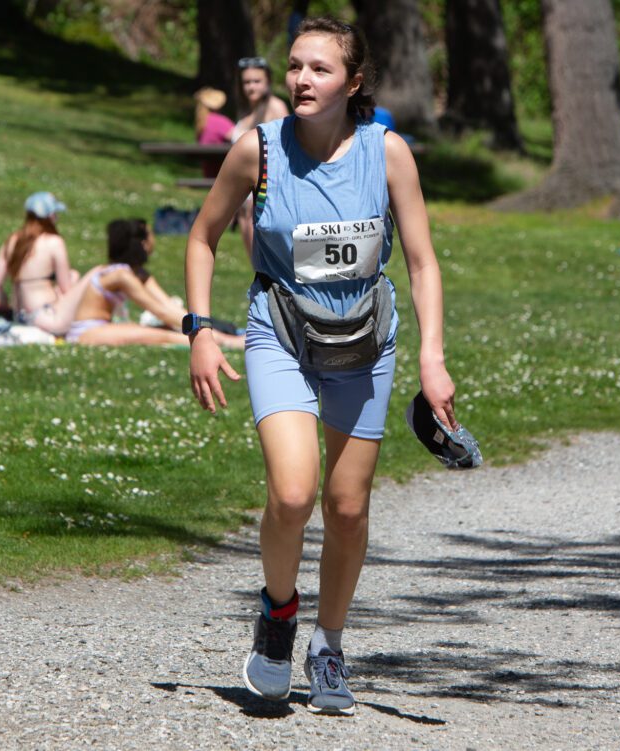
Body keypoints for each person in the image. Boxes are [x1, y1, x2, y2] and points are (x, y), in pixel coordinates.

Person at [185, 17, 459, 715]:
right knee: (292, 492)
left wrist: (433, 358)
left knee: (346, 506)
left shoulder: (387, 153)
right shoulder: (258, 151)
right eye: (296, 67)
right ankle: (278, 618)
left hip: (365, 341)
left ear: (354, 83)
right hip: (280, 332)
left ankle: (329, 644)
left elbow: (423, 262)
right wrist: (198, 331)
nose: (303, 80)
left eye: (321, 69)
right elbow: (201, 236)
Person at [67, 218, 243, 348]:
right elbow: (160, 310)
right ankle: (226, 342)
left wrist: (203, 324)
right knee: (162, 335)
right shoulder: (120, 275)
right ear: (143, 243)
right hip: (87, 332)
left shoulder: (138, 274)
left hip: (105, 327)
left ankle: (218, 339)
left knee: (167, 329)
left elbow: (168, 307)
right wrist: (206, 331)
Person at [0, 191, 100, 337]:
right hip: (45, 316)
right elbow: (66, 288)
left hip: (18, 316)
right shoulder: (54, 242)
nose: (57, 218)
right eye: (55, 214)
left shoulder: (12, 240)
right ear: (49, 216)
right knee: (75, 275)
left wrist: (4, 304)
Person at [232, 56, 290, 259]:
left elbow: (285, 148)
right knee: (253, 255)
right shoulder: (247, 111)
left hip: (265, 189)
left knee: (267, 253)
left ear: (268, 83)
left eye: (256, 81)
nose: (251, 87)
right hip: (243, 192)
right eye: (246, 82)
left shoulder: (276, 107)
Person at [194, 87, 234, 179]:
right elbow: (237, 137)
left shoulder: (202, 121)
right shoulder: (220, 121)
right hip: (221, 169)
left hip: (208, 169)